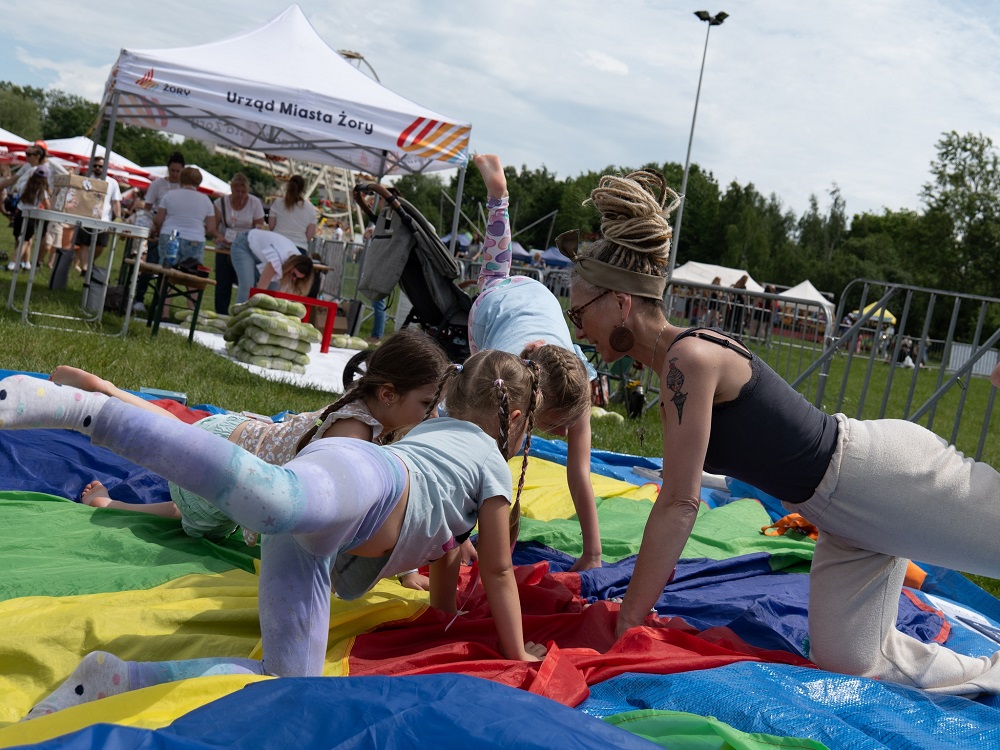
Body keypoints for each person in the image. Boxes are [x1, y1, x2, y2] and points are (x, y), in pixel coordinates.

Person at [560, 167, 1000, 697]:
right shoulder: (676, 363)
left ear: (621, 301)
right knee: (852, 664)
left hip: (881, 478)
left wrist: (630, 619)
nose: (578, 328)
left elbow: (679, 502)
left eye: (579, 313)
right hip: (837, 515)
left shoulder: (687, 358)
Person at [4, 347, 546, 720]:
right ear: (517, 417)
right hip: (366, 481)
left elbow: (449, 550)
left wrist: (442, 615)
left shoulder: (437, 429)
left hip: (320, 540)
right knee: (276, 500)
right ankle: (86, 409)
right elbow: (498, 568)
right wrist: (517, 651)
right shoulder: (489, 461)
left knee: (287, 679)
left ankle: (114, 678)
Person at [54, 328, 447, 555]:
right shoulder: (353, 433)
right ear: (389, 394)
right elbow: (336, 512)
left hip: (234, 435)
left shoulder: (367, 407)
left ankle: (107, 390)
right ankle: (110, 504)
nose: (431, 415)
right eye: (427, 404)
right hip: (229, 470)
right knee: (194, 513)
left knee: (177, 430)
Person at [467, 154, 600, 571]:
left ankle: (499, 200)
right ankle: (498, 200)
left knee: (494, 271)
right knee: (487, 446)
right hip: (491, 312)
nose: (561, 434)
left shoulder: (575, 382)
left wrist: (593, 552)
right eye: (556, 426)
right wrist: (457, 538)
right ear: (530, 405)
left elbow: (580, 471)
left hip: (535, 299)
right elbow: (476, 464)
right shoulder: (501, 383)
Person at [1, 141, 67, 271]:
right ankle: (23, 263)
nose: (27, 156)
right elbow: (14, 181)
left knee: (26, 238)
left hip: (32, 207)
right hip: (32, 208)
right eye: (26, 153)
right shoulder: (29, 168)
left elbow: (67, 178)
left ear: (39, 155)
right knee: (24, 238)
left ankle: (21, 263)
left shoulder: (51, 165)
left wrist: (58, 196)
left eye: (29, 154)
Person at [133, 152, 185, 311]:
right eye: (172, 170)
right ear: (168, 169)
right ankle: (139, 298)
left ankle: (160, 302)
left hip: (175, 227)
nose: (175, 174)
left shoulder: (184, 187)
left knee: (169, 266)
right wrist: (152, 226)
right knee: (151, 263)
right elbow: (148, 207)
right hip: (157, 224)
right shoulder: (158, 184)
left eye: (178, 171)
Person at [211, 173, 266, 314]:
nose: (240, 194)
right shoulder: (221, 203)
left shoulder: (254, 203)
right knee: (223, 283)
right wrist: (219, 236)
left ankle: (242, 311)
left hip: (245, 249)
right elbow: (212, 227)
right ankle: (221, 313)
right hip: (225, 247)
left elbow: (259, 227)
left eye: (243, 191)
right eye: (237, 191)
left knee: (245, 282)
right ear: (232, 190)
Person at [151, 167, 216, 267]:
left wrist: (156, 229)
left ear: (180, 179)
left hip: (171, 233)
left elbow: (158, 220)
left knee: (166, 268)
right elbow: (211, 228)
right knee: (190, 270)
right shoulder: (206, 200)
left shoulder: (169, 195)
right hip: (195, 237)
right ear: (199, 182)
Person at [230, 228, 314, 305]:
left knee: (272, 294)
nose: (294, 279)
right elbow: (260, 290)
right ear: (290, 266)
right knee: (247, 288)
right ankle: (238, 315)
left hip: (260, 252)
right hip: (244, 245)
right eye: (294, 275)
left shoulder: (297, 260)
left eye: (299, 279)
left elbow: (285, 294)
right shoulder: (277, 260)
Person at [72, 156, 123, 274]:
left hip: (104, 219)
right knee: (84, 243)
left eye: (100, 166)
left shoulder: (112, 182)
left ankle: (89, 263)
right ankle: (85, 269)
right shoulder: (86, 179)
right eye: (95, 166)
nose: (97, 168)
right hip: (86, 216)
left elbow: (116, 202)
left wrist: (118, 216)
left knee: (101, 244)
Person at [8, 166, 51, 269]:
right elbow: (48, 206)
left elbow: (16, 191)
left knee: (20, 239)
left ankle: (26, 263)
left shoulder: (24, 185)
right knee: (25, 241)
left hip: (20, 213)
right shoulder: (42, 191)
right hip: (31, 216)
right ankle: (13, 263)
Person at [268, 175, 316, 252]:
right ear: (303, 189)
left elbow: (271, 226)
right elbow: (309, 235)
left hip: (277, 244)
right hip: (299, 247)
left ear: (288, 185)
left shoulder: (278, 203)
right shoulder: (310, 208)